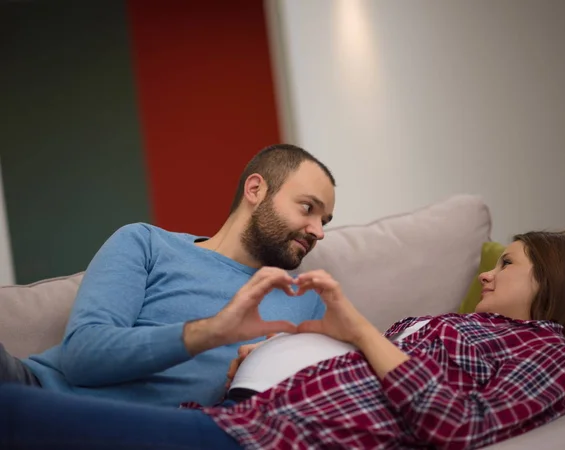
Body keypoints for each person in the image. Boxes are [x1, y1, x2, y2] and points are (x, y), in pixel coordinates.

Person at [0, 230, 565, 450]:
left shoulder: (550, 354)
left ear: (551, 278)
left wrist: (357, 327)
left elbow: (457, 426)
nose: (487, 273)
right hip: (245, 414)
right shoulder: (147, 241)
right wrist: (262, 362)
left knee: (15, 412)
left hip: (277, 438)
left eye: (509, 264)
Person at [0, 144, 336, 407]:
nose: (318, 232)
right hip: (34, 393)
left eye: (326, 221)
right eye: (308, 208)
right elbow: (83, 357)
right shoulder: (146, 243)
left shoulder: (307, 300)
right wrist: (212, 332)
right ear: (255, 190)